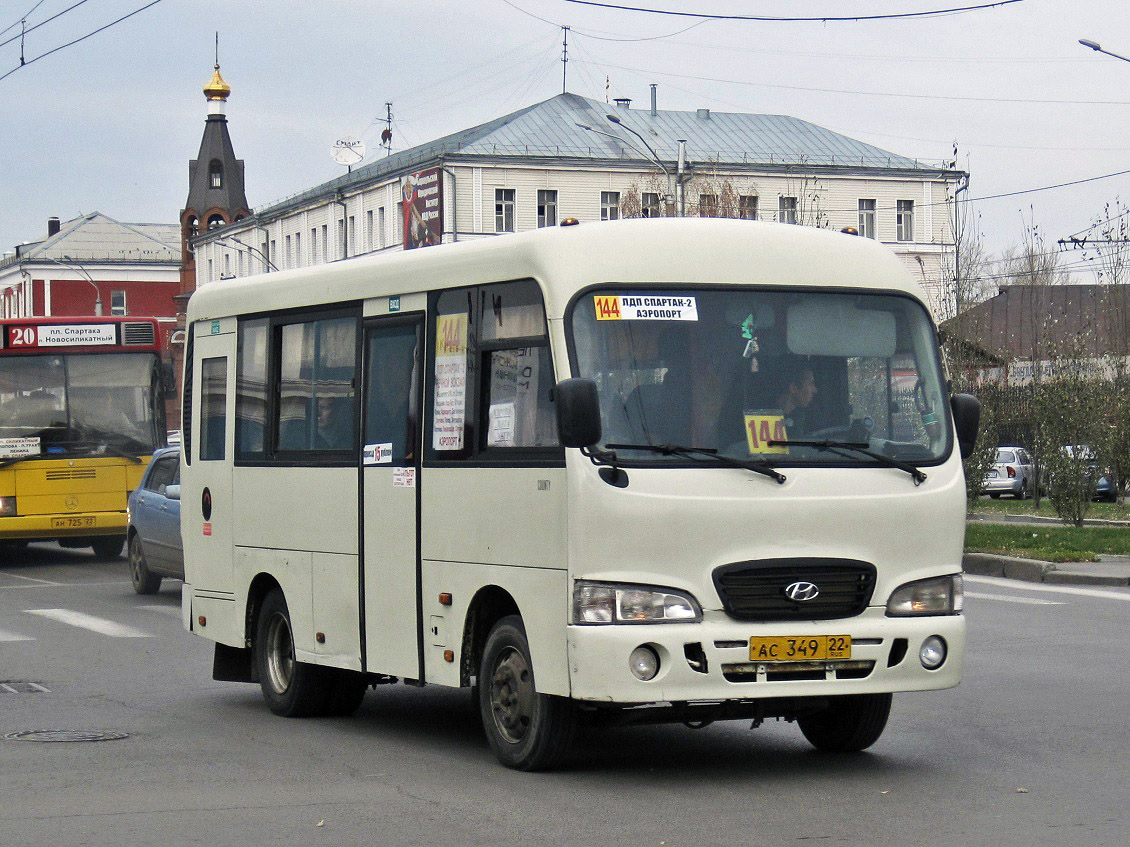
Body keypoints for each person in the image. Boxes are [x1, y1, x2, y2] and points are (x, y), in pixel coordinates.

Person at [773, 358, 817, 437]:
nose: (815, 390)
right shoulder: (764, 420)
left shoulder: (810, 419)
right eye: (810, 384)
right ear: (793, 388)